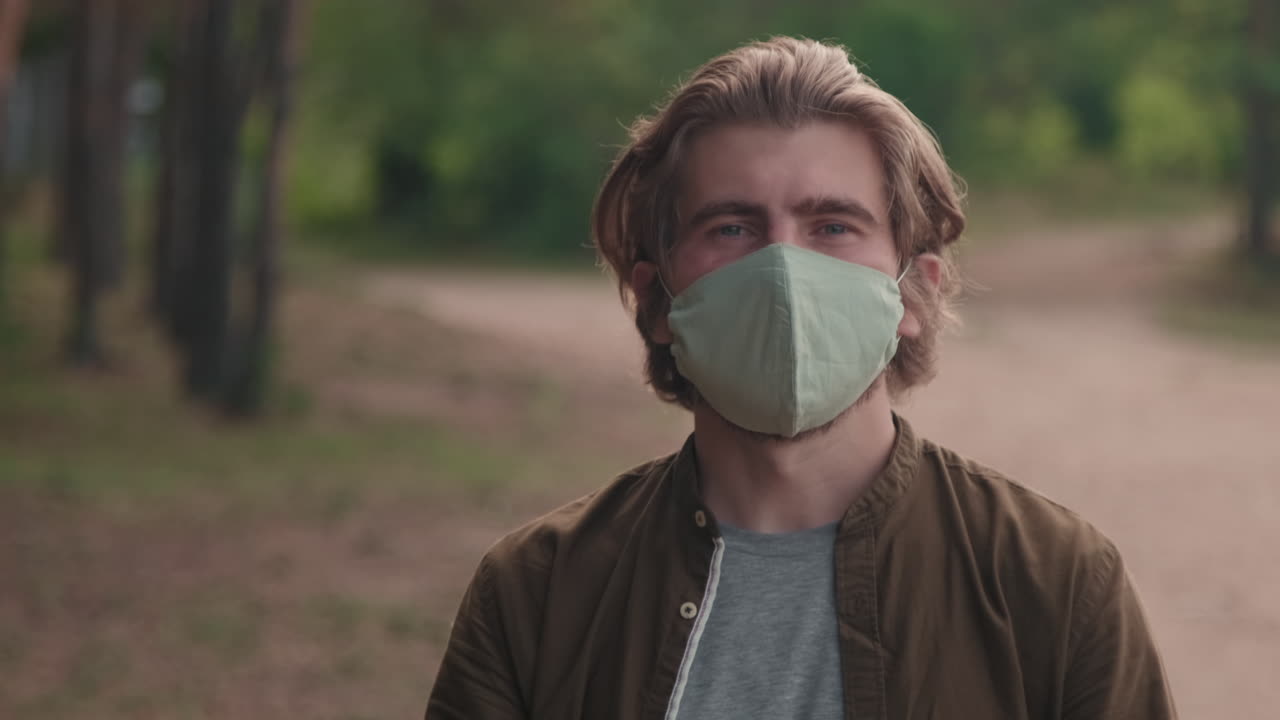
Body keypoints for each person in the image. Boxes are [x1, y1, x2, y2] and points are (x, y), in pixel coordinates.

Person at [425, 36, 1176, 719]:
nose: (783, 270)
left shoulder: (1054, 585)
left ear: (912, 293)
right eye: (732, 228)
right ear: (659, 302)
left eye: (833, 227)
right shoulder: (540, 591)